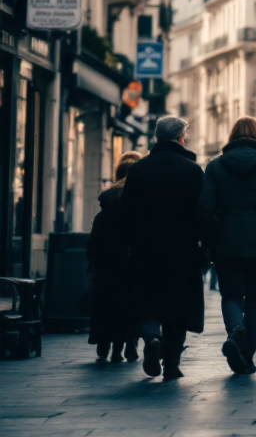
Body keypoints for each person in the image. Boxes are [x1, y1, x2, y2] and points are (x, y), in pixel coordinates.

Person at [197, 116, 256, 374]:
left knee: (231, 295)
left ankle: (235, 330)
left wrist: (214, 238)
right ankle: (247, 357)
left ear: (232, 135)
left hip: (227, 242)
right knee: (255, 299)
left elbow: (205, 208)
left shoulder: (216, 166)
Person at [120, 116, 205, 381]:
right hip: (182, 250)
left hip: (145, 248)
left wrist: (129, 244)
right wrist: (204, 246)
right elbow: (203, 213)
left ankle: (151, 337)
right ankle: (171, 363)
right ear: (181, 137)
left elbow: (126, 213)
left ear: (157, 138)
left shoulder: (138, 170)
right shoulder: (192, 170)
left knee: (148, 301)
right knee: (177, 307)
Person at [87, 153, 141, 363]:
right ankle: (128, 343)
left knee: (106, 305)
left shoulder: (105, 211)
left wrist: (95, 262)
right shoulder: (139, 208)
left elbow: (94, 244)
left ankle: (105, 343)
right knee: (131, 304)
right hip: (132, 264)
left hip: (107, 268)